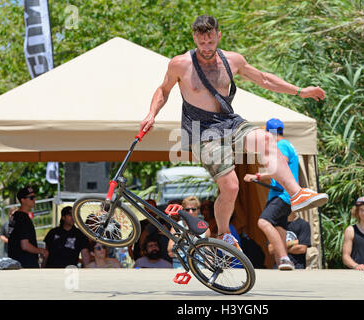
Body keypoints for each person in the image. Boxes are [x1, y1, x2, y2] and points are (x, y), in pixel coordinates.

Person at [139, 15, 329, 249]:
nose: (206, 48)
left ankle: (297, 193)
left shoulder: (233, 61)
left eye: (210, 42)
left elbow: (265, 80)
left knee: (265, 139)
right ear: (194, 38)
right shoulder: (180, 64)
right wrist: (151, 114)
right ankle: (223, 233)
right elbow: (163, 90)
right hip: (200, 129)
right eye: (201, 43)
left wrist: (301, 91)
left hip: (228, 120)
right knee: (231, 186)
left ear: (218, 36)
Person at [244, 118, 299, 270]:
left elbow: (279, 168)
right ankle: (281, 263)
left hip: (282, 194)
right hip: (283, 194)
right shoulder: (288, 144)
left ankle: (284, 259)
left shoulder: (281, 145)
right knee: (280, 228)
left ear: (269, 133)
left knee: (263, 222)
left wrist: (256, 176)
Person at [8, 187, 48, 268]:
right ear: (22, 200)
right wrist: (41, 251)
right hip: (25, 263)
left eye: (35, 197)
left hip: (17, 262)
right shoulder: (22, 218)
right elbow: (25, 245)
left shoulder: (15, 216)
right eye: (31, 198)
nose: (34, 199)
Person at [167, 196, 211, 268]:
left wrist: (210, 265)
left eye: (193, 209)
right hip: (181, 266)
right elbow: (170, 251)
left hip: (200, 267)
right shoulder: (177, 226)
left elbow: (208, 250)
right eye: (187, 209)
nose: (190, 212)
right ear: (183, 210)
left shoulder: (204, 228)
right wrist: (184, 237)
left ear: (198, 210)